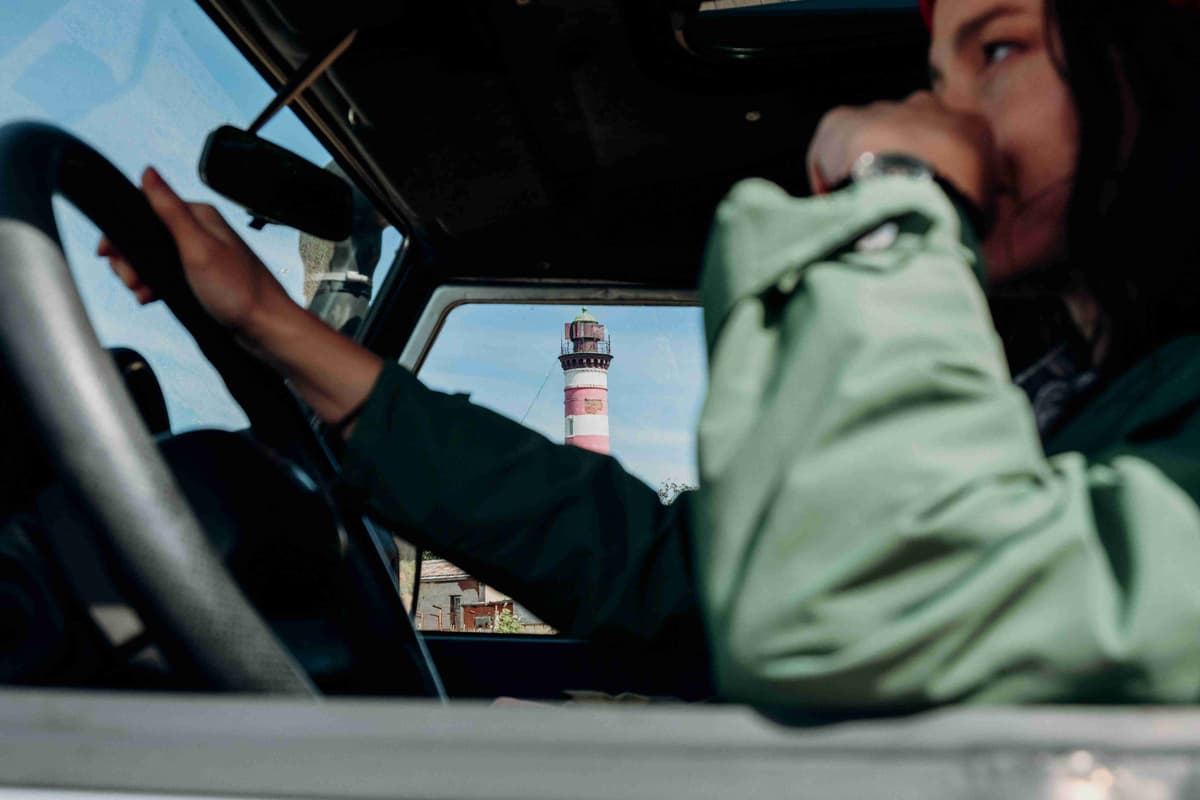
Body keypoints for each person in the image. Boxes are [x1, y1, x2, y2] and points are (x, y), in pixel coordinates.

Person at [102, 0, 1200, 714]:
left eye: (996, 50)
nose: (938, 108)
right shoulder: (1075, 398)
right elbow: (672, 577)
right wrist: (271, 322)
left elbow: (856, 609)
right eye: (937, 68)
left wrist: (888, 211)